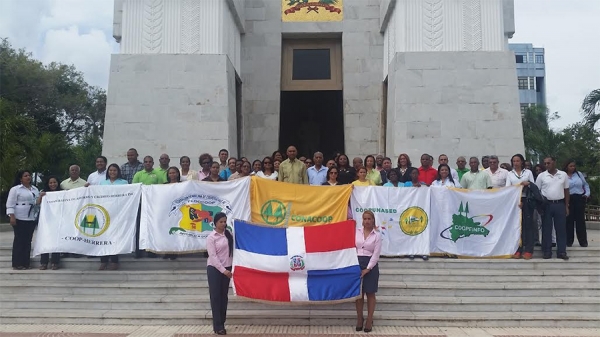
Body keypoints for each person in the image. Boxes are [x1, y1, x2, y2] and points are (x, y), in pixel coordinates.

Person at [536, 156, 569, 260]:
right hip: (547, 205)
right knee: (546, 229)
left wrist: (567, 206)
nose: (546, 165)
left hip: (560, 204)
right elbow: (537, 192)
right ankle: (547, 251)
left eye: (548, 163)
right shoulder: (542, 176)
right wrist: (539, 207)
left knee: (561, 229)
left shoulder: (563, 175)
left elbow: (566, 190)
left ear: (554, 162)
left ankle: (562, 252)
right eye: (545, 163)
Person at [6, 170, 40, 270]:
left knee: (27, 240)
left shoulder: (34, 189)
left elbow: (36, 202)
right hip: (19, 217)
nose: (28, 177)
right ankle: (17, 263)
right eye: (25, 176)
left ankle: (26, 262)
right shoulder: (16, 189)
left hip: (31, 217)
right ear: (21, 178)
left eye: (29, 175)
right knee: (19, 240)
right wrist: (12, 216)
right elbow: (10, 203)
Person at [206, 212, 233, 335]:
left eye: (225, 221)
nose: (223, 224)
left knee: (224, 297)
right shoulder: (211, 237)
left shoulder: (228, 235)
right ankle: (218, 326)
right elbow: (213, 257)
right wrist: (224, 270)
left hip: (227, 268)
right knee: (216, 297)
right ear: (215, 223)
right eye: (221, 222)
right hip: (215, 270)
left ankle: (222, 322)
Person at [355, 210, 381, 333]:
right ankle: (359, 318)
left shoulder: (377, 235)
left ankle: (369, 319)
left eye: (369, 219)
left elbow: (376, 255)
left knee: (370, 293)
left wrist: (368, 269)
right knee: (359, 294)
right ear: (362, 220)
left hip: (371, 265)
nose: (367, 221)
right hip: (357, 263)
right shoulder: (356, 232)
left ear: (373, 220)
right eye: (365, 219)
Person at [505, 154, 536, 259]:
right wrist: (518, 188)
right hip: (516, 202)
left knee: (528, 225)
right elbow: (508, 188)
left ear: (522, 162)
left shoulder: (528, 172)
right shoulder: (510, 174)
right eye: (514, 161)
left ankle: (528, 250)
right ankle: (518, 249)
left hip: (527, 200)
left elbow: (533, 186)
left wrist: (527, 184)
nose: (516, 163)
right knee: (517, 226)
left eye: (518, 161)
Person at [98, 164, 128, 269]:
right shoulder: (102, 183)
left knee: (115, 237)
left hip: (118, 213)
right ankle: (103, 260)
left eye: (114, 170)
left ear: (118, 171)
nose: (112, 172)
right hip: (105, 213)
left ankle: (114, 260)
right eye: (110, 170)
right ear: (108, 172)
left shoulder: (124, 183)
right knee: (103, 236)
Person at [36, 176, 62, 270]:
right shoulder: (44, 193)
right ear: (48, 184)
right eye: (50, 183)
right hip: (46, 221)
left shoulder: (62, 193)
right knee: (45, 241)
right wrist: (40, 196)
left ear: (58, 183)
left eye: (54, 182)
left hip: (58, 221)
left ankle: (55, 262)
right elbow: (37, 203)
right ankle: (44, 263)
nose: (53, 184)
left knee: (56, 242)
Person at [564, 159, 590, 247]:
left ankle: (583, 241)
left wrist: (586, 194)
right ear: (567, 166)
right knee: (569, 221)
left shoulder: (579, 174)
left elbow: (585, 185)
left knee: (580, 221)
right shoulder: (563, 175)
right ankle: (569, 241)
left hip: (579, 198)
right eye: (570, 166)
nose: (572, 168)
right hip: (569, 198)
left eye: (574, 166)